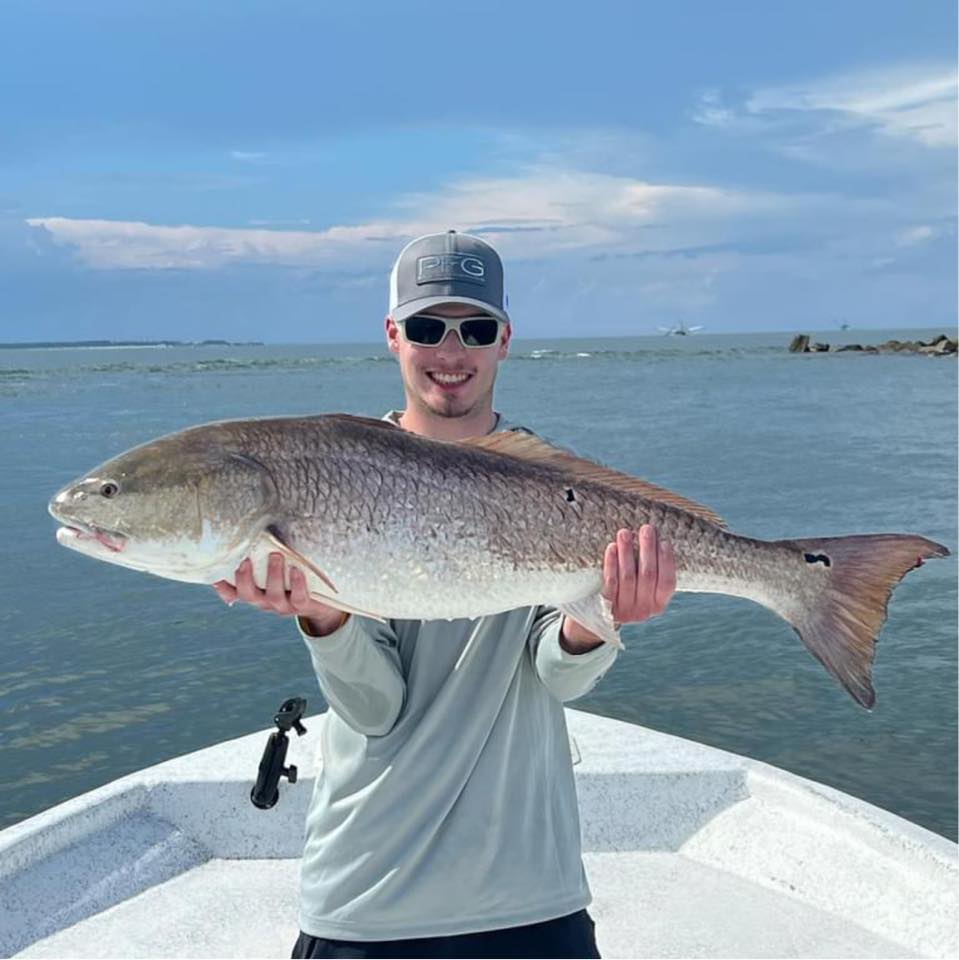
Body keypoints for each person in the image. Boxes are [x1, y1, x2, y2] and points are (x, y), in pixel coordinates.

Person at [213, 231, 676, 959]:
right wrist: (322, 614)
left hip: (535, 896)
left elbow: (556, 678)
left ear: (504, 341)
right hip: (367, 901)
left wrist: (602, 619)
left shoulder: (556, 489)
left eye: (475, 329)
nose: (451, 352)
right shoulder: (334, 478)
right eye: (428, 328)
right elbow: (375, 709)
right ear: (393, 336)